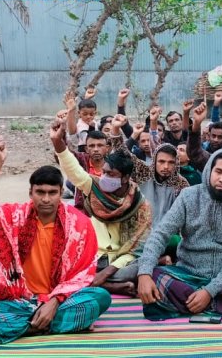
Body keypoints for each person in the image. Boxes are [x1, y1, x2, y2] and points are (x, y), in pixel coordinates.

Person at [0, 136, 111, 344]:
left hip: (61, 300)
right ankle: (46, 325)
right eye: (40, 192)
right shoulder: (14, 216)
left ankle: (28, 327)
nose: (45, 199)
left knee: (100, 297)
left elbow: (83, 274)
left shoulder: (80, 224)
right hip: (20, 301)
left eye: (52, 193)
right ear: (30, 193)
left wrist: (54, 300)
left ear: (61, 193)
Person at [137, 149, 222, 322]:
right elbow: (160, 234)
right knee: (154, 276)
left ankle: (199, 303)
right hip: (187, 274)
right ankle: (221, 306)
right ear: (209, 171)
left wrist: (209, 291)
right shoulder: (188, 196)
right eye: (218, 172)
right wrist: (144, 273)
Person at [52, 120, 153, 296]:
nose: (104, 176)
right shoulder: (95, 186)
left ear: (125, 178)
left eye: (111, 174)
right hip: (92, 255)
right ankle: (111, 286)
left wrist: (106, 272)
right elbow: (74, 170)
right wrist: (57, 143)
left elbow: (135, 248)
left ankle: (95, 281)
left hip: (119, 261)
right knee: (57, 264)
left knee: (144, 265)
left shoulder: (140, 204)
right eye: (104, 172)